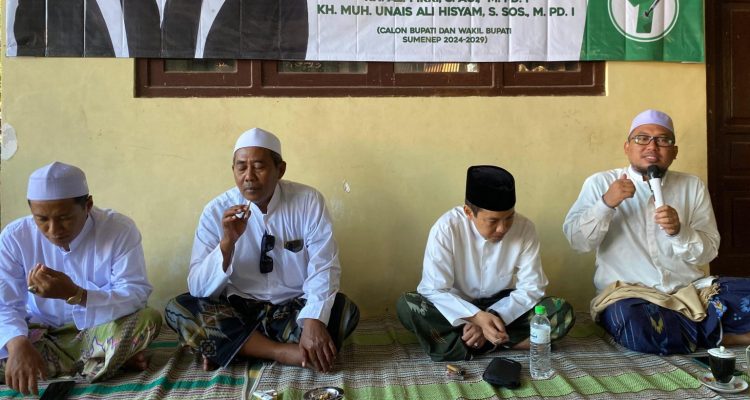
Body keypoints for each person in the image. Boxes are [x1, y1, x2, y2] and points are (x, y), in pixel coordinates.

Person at [165, 128, 359, 372]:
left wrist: (312, 320)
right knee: (179, 308)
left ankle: (231, 348)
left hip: (292, 311)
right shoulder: (215, 211)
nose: (249, 176)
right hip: (238, 311)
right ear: (233, 170)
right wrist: (227, 243)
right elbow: (198, 289)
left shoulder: (308, 201)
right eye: (241, 167)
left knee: (344, 311)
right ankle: (283, 352)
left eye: (258, 166)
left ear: (280, 169)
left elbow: (325, 265)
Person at [563, 109, 750, 355]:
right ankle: (727, 336)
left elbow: (709, 252)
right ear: (627, 147)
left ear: (674, 151)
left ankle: (691, 333)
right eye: (642, 138)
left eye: (663, 140)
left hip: (691, 290)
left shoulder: (692, 185)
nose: (652, 146)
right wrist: (606, 204)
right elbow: (578, 242)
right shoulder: (600, 183)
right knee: (633, 323)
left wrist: (680, 232)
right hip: (629, 295)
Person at [0, 162, 162, 396]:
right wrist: (17, 345)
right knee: (10, 340)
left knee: (147, 319)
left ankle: (57, 364)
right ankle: (103, 360)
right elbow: (5, 305)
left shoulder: (119, 229)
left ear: (88, 205)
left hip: (95, 331)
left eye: (64, 218)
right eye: (42, 219)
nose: (53, 230)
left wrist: (76, 294)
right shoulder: (15, 237)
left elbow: (135, 294)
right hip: (38, 332)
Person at [397, 165, 575, 361]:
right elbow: (433, 289)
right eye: (493, 221)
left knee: (561, 310)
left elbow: (532, 288)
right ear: (468, 212)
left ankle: (463, 345)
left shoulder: (525, 229)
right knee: (408, 305)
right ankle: (505, 342)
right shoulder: (446, 229)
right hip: (456, 308)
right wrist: (476, 317)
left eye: (509, 218)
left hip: (502, 305)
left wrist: (492, 317)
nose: (503, 228)